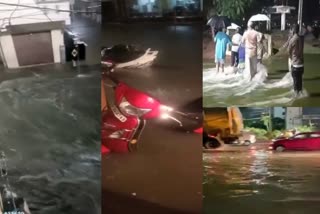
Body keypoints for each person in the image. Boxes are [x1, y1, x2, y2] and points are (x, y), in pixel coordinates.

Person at [288, 23, 304, 97]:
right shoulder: (301, 38)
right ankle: (300, 94)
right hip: (301, 63)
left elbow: (289, 51)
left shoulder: (292, 40)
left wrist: (291, 58)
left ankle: (296, 96)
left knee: (295, 81)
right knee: (300, 81)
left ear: (293, 30)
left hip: (295, 64)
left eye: (291, 30)